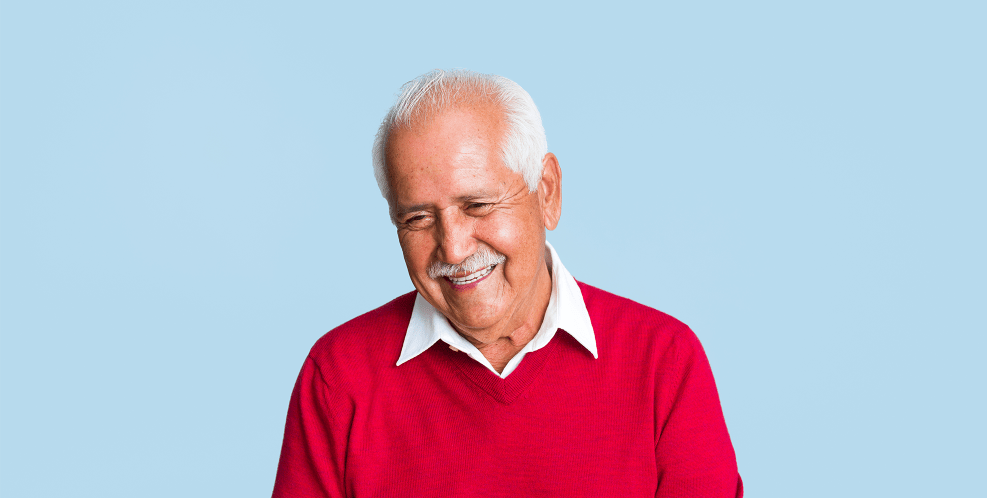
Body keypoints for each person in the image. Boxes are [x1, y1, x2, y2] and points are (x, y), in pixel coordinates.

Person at [272, 69, 743, 498]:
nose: (453, 250)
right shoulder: (339, 378)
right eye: (417, 218)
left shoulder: (662, 362)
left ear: (547, 193)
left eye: (477, 205)